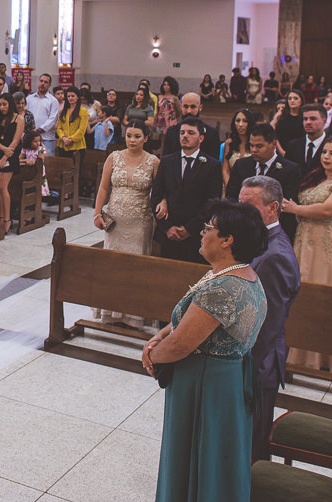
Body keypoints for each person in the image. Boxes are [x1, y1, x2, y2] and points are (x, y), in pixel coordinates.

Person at [144, 200, 267, 502]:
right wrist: (160, 336)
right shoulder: (238, 275)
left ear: (227, 240)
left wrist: (154, 355)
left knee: (196, 456)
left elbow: (181, 345)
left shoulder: (224, 288)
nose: (202, 232)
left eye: (208, 228)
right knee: (214, 459)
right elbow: (188, 320)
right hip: (224, 381)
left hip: (204, 384)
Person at [280, 136, 332, 375]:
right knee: (301, 294)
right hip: (305, 240)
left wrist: (295, 209)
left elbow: (328, 209)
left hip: (330, 246)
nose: (326, 157)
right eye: (324, 152)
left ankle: (325, 359)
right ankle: (299, 354)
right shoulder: (317, 177)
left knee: (324, 297)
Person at [237, 176, 301, 462]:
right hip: (249, 359)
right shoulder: (259, 239)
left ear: (272, 208)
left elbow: (265, 325)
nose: (240, 213)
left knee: (251, 443)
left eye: (248, 206)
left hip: (256, 364)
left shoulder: (275, 256)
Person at [91, 121, 159, 328]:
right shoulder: (114, 157)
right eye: (129, 135)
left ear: (146, 138)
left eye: (137, 136)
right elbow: (103, 187)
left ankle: (134, 316)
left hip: (140, 220)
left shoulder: (154, 161)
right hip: (115, 220)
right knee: (113, 265)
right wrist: (97, 213)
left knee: (136, 266)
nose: (132, 140)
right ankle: (110, 313)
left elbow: (159, 191)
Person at [150, 117, 223, 263]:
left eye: (191, 133)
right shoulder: (167, 161)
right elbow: (156, 195)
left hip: (196, 235)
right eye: (182, 133)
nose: (185, 136)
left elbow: (212, 202)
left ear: (201, 138)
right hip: (168, 234)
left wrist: (189, 229)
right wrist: (168, 228)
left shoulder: (212, 165)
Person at [226, 122, 301, 239]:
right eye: (251, 145)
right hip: (242, 230)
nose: (254, 150)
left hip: (274, 233)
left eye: (259, 146)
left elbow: (285, 203)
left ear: (273, 144)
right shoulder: (241, 165)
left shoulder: (290, 169)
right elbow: (231, 196)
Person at [0, 93, 25, 238]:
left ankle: (7, 220)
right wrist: (2, 149)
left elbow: (16, 141)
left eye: (5, 104)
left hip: (11, 156)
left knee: (1, 187)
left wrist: (5, 156)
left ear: (10, 104)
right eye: (0, 104)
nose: (2, 107)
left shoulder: (19, 119)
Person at [161, 92, 219, 158]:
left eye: (193, 107)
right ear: (181, 107)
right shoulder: (171, 132)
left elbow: (213, 164)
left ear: (200, 107)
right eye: (185, 106)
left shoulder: (211, 134)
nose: (189, 111)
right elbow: (165, 161)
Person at [221, 108, 259, 191]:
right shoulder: (229, 143)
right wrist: (230, 188)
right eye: (238, 121)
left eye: (245, 121)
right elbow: (225, 169)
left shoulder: (255, 144)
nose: (241, 124)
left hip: (253, 188)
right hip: (231, 188)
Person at [283, 103, 328, 173]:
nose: (308, 122)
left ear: (324, 121)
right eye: (305, 119)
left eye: (313, 119)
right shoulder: (293, 145)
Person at [26, 73, 60, 157]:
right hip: (30, 138)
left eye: (45, 82)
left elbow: (53, 119)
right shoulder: (29, 98)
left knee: (46, 163)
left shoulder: (53, 101)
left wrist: (39, 130)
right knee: (30, 163)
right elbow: (25, 115)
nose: (42, 83)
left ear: (49, 85)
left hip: (46, 138)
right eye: (41, 81)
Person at [56, 86, 88, 162]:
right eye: (68, 96)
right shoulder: (63, 111)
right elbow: (59, 128)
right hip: (63, 144)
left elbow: (82, 130)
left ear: (77, 97)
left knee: (77, 171)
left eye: (73, 96)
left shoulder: (83, 111)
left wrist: (70, 139)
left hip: (77, 146)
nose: (70, 98)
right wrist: (63, 138)